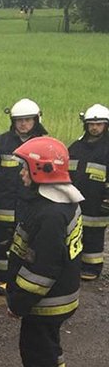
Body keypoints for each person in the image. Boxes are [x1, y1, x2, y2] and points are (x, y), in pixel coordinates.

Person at [0, 136, 82, 367]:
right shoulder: (63, 200)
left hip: (46, 300)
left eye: (26, 169)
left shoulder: (50, 214)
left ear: (42, 173)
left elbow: (41, 272)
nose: (22, 173)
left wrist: (18, 303)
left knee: (36, 347)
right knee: (49, 343)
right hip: (62, 295)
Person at [0, 98, 48, 296]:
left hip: (32, 208)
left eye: (27, 120)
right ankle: (3, 281)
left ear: (36, 120)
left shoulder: (44, 145)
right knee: (3, 246)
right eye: (19, 120)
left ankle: (25, 283)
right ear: (13, 121)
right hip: (4, 207)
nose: (23, 124)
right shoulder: (1, 143)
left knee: (31, 246)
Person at [67, 104, 109, 281]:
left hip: (98, 201)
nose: (94, 127)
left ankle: (92, 268)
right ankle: (75, 264)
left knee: (94, 235)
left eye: (99, 124)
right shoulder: (76, 147)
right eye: (91, 124)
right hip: (76, 198)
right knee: (74, 232)